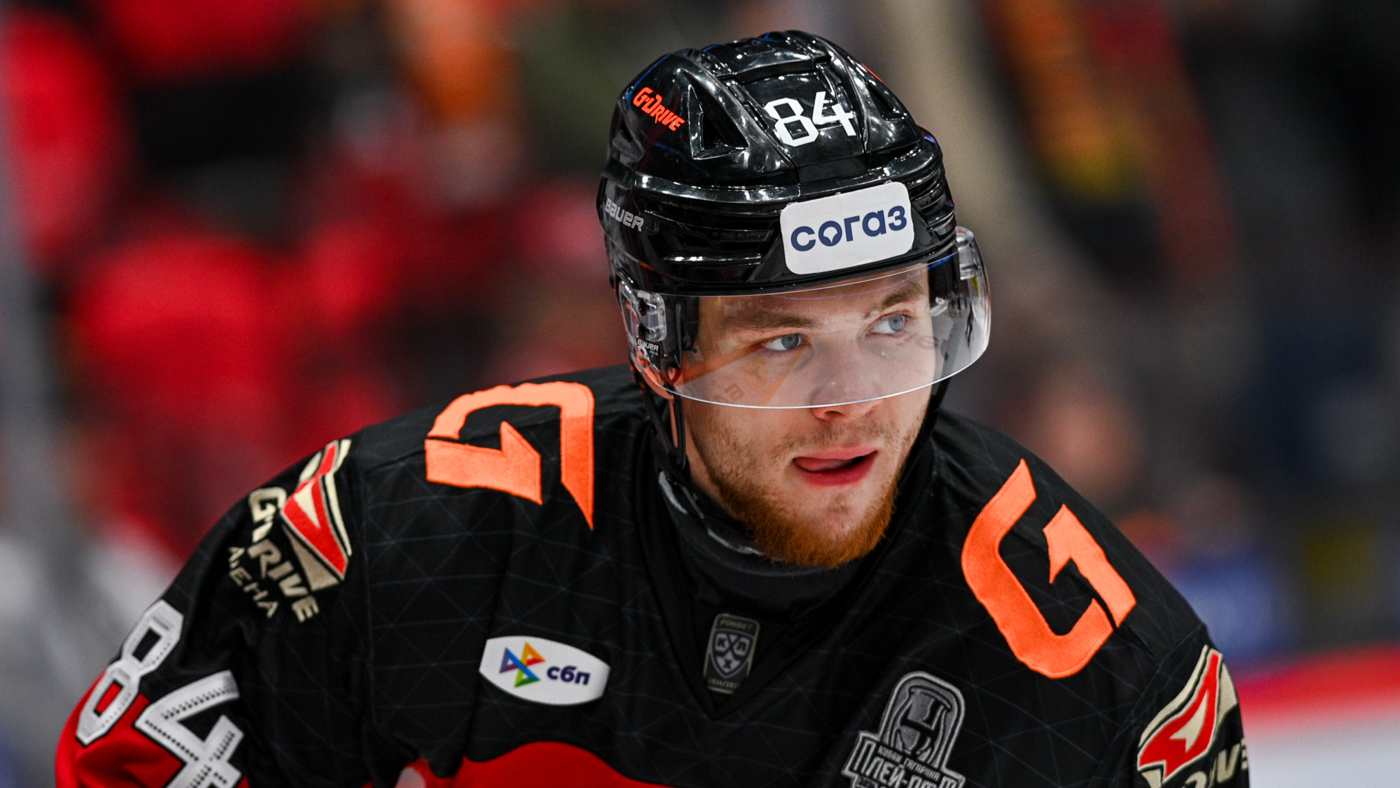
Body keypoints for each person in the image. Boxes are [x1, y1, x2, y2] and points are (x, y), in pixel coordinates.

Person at [56, 31, 1246, 788]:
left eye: (891, 325)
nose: (850, 404)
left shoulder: (1098, 666)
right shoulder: (402, 532)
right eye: (781, 340)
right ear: (657, 340)